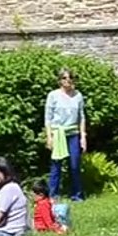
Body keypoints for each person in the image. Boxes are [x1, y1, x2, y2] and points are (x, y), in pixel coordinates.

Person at [44, 67, 87, 201]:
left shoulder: (78, 95)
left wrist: (83, 137)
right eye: (64, 78)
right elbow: (48, 118)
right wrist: (49, 137)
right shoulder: (53, 95)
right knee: (56, 166)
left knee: (74, 165)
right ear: (59, 80)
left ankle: (77, 195)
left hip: (73, 133)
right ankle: (53, 195)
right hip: (58, 133)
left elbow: (81, 117)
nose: (67, 80)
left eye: (70, 78)